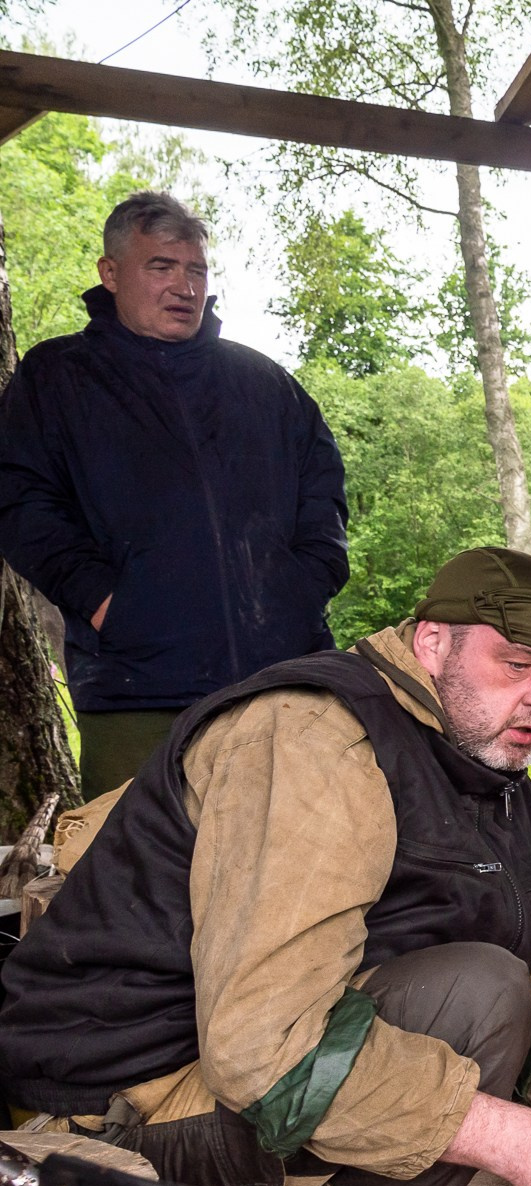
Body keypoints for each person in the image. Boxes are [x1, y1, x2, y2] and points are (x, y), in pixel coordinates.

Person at [0, 548, 531, 1186]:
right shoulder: (314, 738)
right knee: (476, 994)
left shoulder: (492, 775)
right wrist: (523, 1144)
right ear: (431, 643)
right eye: (516, 663)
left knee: (493, 983)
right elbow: (264, 1050)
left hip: (223, 1076)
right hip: (122, 1105)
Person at [0, 191, 349, 800]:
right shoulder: (58, 378)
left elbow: (325, 493)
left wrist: (302, 587)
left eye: (195, 269)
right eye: (161, 267)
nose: (184, 286)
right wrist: (108, 601)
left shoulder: (262, 382)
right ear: (111, 274)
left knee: (298, 878)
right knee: (147, 881)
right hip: (138, 690)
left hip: (283, 681)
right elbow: (21, 503)